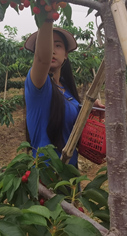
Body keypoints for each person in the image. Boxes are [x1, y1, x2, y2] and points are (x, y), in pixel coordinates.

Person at [24, 18, 83, 166]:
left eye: (58, 45)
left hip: (70, 176)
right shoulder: (39, 87)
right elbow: (42, 59)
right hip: (47, 177)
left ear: (66, 55)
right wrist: (47, 14)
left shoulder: (66, 88)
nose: (52, 50)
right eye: (48, 46)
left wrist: (90, 109)